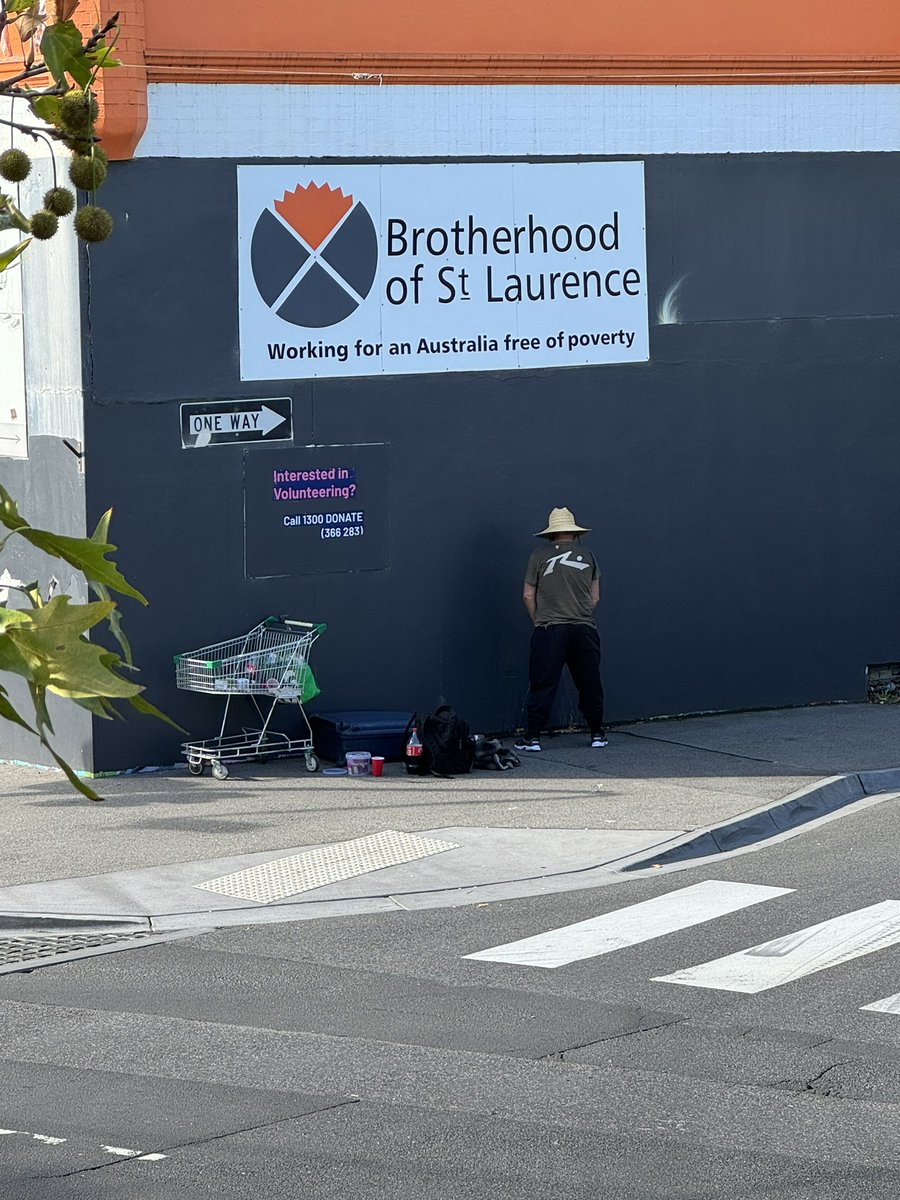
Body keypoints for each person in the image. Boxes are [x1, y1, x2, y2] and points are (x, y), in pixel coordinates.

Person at [515, 506, 607, 752]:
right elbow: (595, 597)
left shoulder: (538, 555)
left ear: (551, 534)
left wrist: (539, 620)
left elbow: (527, 594)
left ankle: (533, 737)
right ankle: (597, 733)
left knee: (543, 683)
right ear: (574, 533)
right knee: (589, 682)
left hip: (550, 628)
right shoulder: (588, 556)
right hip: (583, 629)